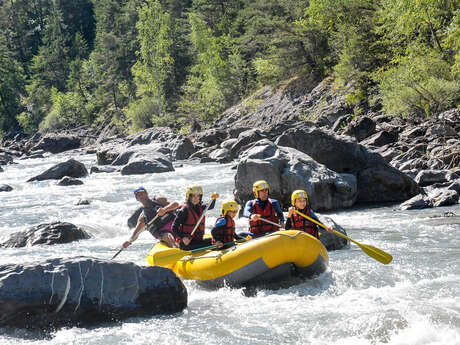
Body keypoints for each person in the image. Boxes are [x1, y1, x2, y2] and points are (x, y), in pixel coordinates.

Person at [172, 185, 219, 250]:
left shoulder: (200, 207)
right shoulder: (184, 210)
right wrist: (183, 238)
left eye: (198, 196)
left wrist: (214, 199)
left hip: (198, 241)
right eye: (193, 196)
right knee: (212, 245)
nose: (195, 198)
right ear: (189, 197)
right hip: (187, 244)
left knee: (217, 240)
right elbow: (174, 227)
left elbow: (211, 206)